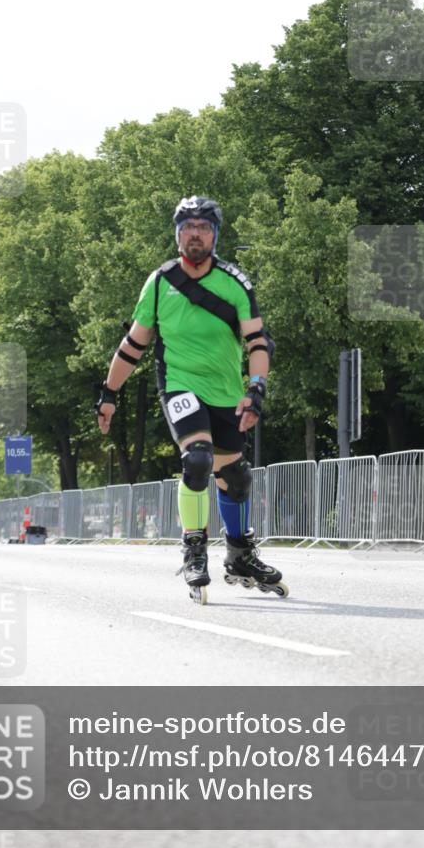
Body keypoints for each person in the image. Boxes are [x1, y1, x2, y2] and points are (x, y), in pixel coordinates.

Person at [96, 195, 288, 604]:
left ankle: (239, 555)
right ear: (177, 234)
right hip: (179, 384)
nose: (195, 233)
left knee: (235, 477)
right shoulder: (160, 282)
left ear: (215, 235)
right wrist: (109, 394)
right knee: (197, 458)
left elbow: (257, 341)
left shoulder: (234, 282)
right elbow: (134, 345)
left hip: (226, 391)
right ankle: (194, 548)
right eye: (188, 226)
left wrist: (256, 390)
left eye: (203, 226)